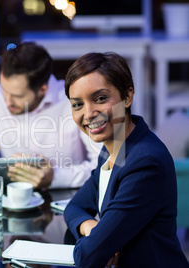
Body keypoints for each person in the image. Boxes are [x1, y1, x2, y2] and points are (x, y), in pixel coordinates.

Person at [63, 52, 189, 267]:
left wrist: (97, 243)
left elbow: (89, 255)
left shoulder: (145, 161)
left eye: (100, 98)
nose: (89, 113)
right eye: (78, 105)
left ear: (127, 96)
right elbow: (73, 207)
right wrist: (91, 228)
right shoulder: (112, 148)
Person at [0, 42, 100, 189]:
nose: (7, 101)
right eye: (4, 90)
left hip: (70, 201)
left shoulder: (74, 101)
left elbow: (106, 167)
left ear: (43, 89)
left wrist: (55, 177)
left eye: (17, 96)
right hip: (11, 202)